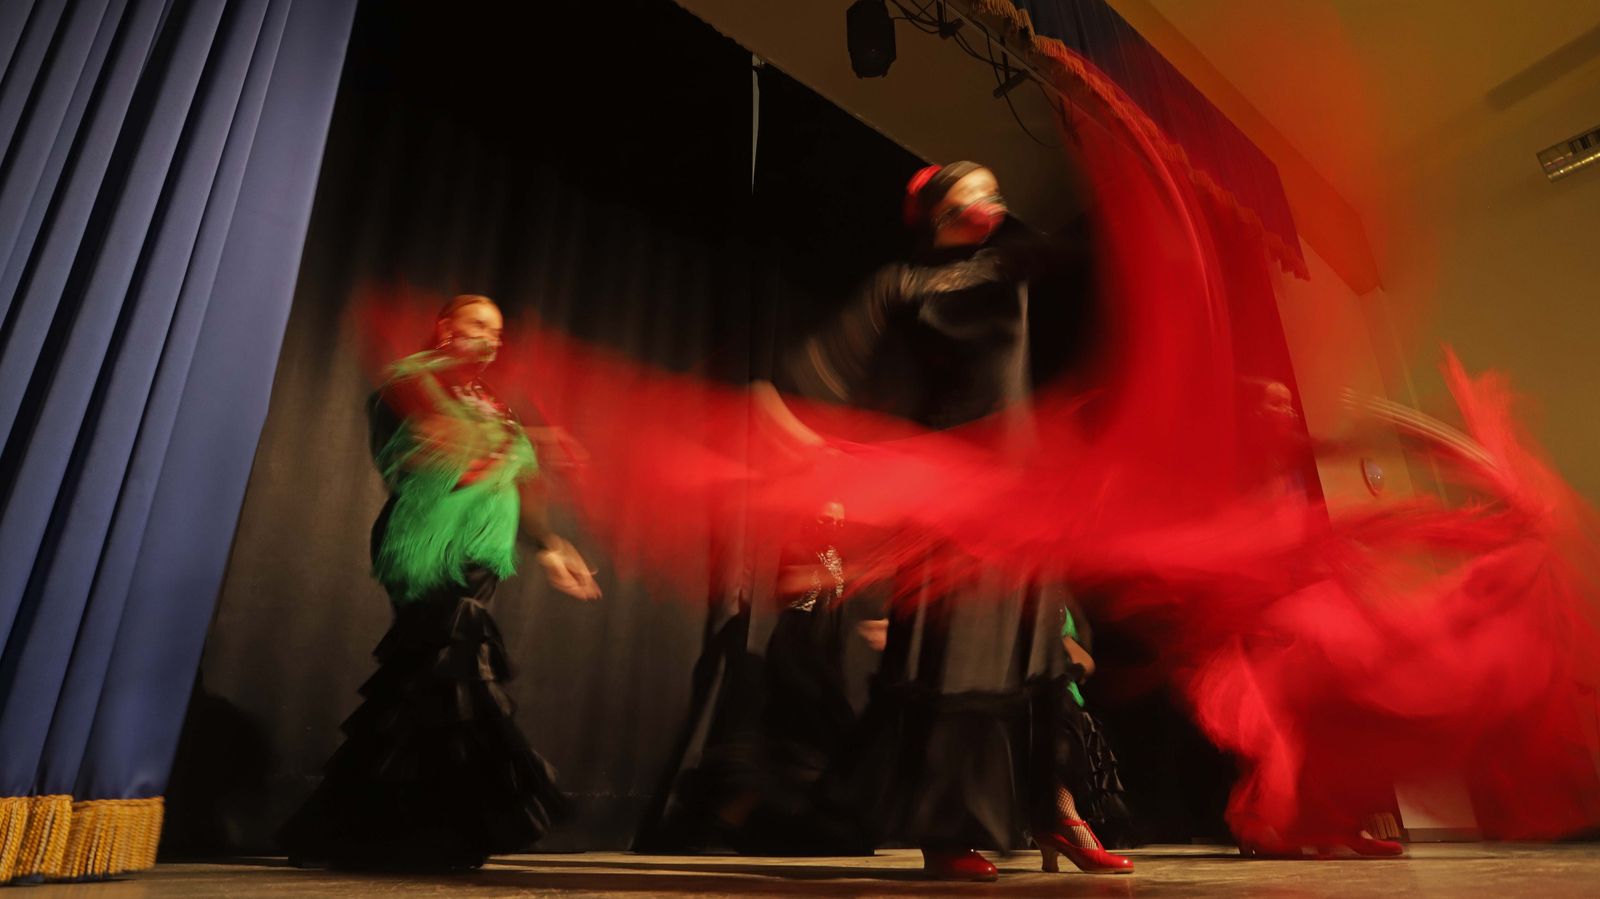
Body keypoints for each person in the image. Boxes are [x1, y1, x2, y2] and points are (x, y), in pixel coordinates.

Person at [787, 162, 1133, 879]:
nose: (994, 196)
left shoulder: (1010, 263)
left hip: (1017, 495)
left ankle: (1056, 810)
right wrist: (825, 446)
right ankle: (947, 830)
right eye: (977, 186)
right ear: (942, 205)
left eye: (998, 185)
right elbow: (829, 367)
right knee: (955, 663)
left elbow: (1091, 245)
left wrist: (1137, 177)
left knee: (1035, 661)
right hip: (949, 499)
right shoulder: (902, 285)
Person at [278, 294, 599, 870]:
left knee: (420, 682)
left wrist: (552, 545)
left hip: (479, 553)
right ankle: (432, 829)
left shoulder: (490, 403)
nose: (489, 339)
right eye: (478, 325)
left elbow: (516, 479)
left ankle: (366, 828)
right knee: (450, 675)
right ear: (446, 329)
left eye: (498, 332)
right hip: (429, 547)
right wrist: (521, 445)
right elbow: (427, 451)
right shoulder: (412, 379)